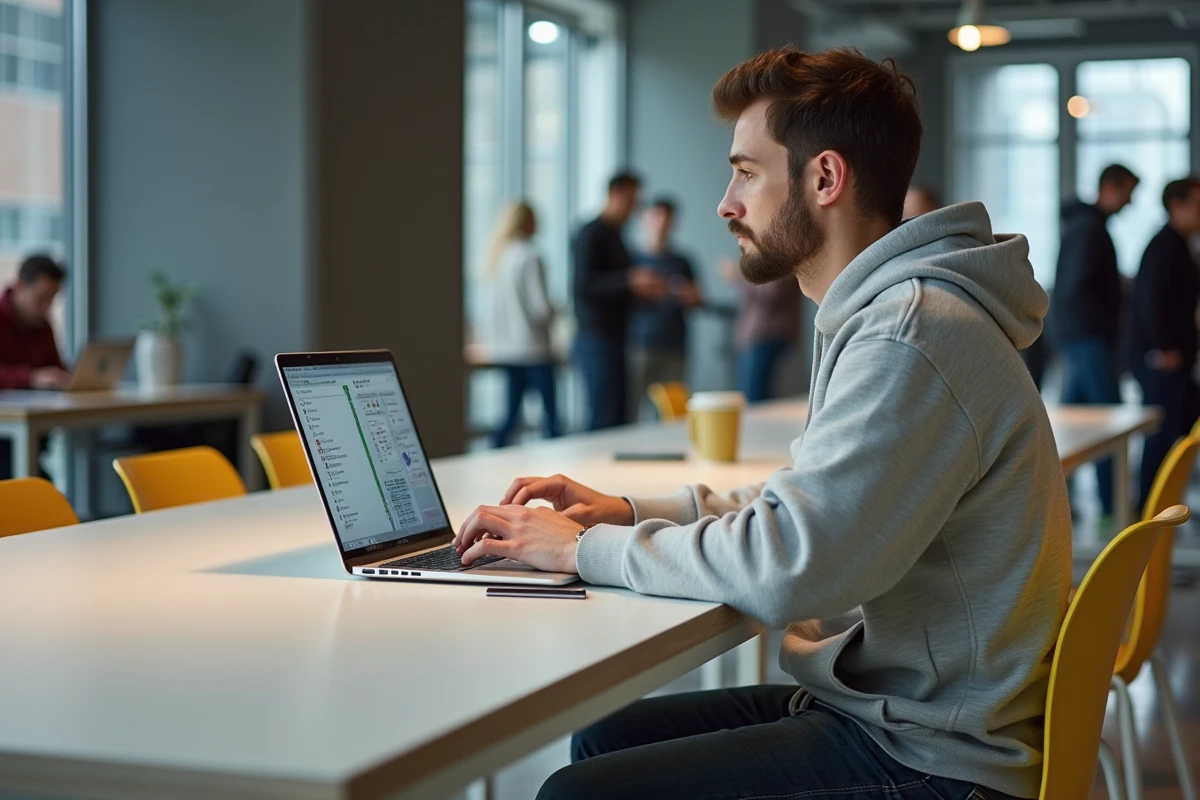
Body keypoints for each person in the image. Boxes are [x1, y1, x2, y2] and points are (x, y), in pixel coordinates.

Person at [454, 47, 1068, 800]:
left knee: (580, 792)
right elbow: (806, 511)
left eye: (746, 171)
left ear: (824, 178)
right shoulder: (893, 317)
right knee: (604, 739)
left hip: (939, 755)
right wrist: (628, 511)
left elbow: (791, 565)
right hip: (908, 711)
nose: (726, 202)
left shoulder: (909, 333)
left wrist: (588, 549)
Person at [1052, 163, 1139, 521]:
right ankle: (1112, 509)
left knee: (1072, 427)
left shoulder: (1086, 226)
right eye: (1128, 192)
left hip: (1079, 338)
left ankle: (1055, 506)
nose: (1131, 202)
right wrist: (1107, 323)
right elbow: (1076, 286)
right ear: (1110, 187)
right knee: (1110, 425)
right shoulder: (1089, 229)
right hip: (1089, 339)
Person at [573, 173, 668, 431]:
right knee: (603, 417)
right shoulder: (590, 234)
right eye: (631, 200)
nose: (634, 207)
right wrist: (629, 282)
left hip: (618, 338)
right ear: (613, 195)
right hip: (595, 339)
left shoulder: (617, 237)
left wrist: (642, 291)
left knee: (620, 418)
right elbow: (584, 286)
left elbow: (618, 288)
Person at [1130, 176, 1200, 508]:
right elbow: (1150, 301)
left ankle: (1164, 505)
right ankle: (1150, 508)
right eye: (1198, 205)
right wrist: (1165, 348)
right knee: (1161, 436)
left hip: (1177, 357)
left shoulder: (1179, 245)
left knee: (1177, 433)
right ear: (1177, 205)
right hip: (1162, 359)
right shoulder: (1164, 246)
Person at [482, 201, 560, 448]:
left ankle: (491, 456)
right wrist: (558, 311)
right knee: (552, 420)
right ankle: (562, 475)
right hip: (533, 349)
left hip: (507, 350)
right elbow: (540, 308)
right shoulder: (531, 255)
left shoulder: (499, 256)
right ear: (527, 221)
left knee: (510, 416)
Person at [629, 197, 701, 419]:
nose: (661, 225)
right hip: (638, 344)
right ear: (645, 219)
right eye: (656, 218)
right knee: (631, 409)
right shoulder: (632, 259)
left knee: (673, 413)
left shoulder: (682, 261)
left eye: (666, 220)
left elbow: (697, 299)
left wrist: (692, 296)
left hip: (673, 345)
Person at [728, 266, 801, 403]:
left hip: (767, 336)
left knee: (755, 400)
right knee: (749, 397)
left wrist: (738, 277)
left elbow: (770, 293)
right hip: (755, 338)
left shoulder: (781, 257)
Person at [0, 254, 69, 390]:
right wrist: (31, 377)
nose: (46, 307)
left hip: (38, 408)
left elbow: (55, 367)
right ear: (19, 286)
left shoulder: (42, 325)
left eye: (51, 300)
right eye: (41, 298)